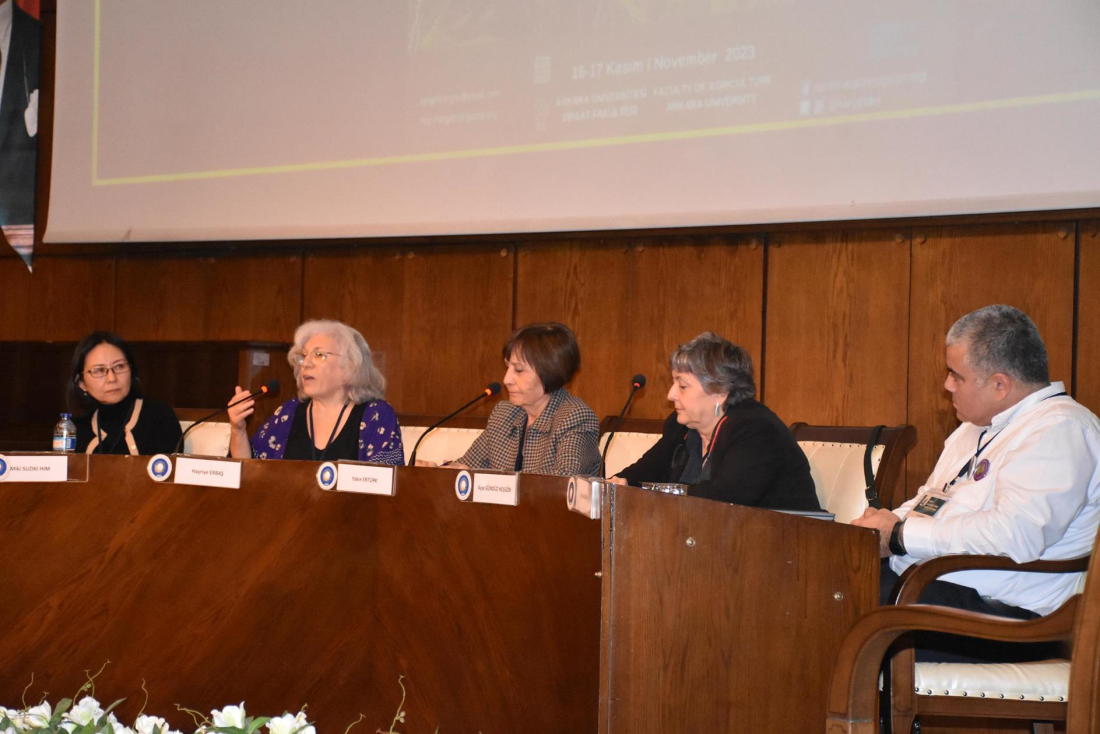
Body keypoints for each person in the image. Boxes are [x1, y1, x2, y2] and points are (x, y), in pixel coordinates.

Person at [852, 305, 1100, 661]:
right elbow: (930, 500)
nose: (947, 385)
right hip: (934, 591)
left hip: (1006, 620)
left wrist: (900, 536)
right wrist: (878, 530)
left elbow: (1015, 535)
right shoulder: (974, 428)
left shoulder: (1062, 429)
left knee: (834, 609)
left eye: (957, 376)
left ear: (1000, 384)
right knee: (825, 583)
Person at [611, 332, 819, 511]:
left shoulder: (756, 430)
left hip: (783, 538)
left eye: (682, 386)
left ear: (720, 391)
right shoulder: (680, 426)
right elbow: (637, 477)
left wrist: (653, 495)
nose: (670, 395)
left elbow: (724, 501)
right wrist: (618, 485)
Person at [228, 320, 403, 464]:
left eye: (319, 355)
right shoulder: (288, 413)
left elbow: (386, 483)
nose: (306, 363)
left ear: (350, 366)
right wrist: (238, 429)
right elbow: (250, 472)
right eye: (304, 356)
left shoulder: (376, 415)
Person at [442, 322, 599, 476]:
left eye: (518, 370)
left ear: (550, 373)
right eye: (507, 367)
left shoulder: (574, 417)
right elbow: (467, 466)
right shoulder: (504, 414)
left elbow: (562, 485)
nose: (506, 380)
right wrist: (441, 471)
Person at [67, 331, 182, 456]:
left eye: (119, 366)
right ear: (81, 383)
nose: (112, 378)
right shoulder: (73, 429)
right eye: (99, 370)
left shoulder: (159, 417)